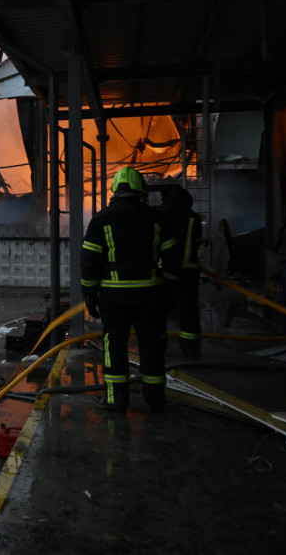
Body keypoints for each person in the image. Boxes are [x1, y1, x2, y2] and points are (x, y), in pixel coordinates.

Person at [80, 167, 181, 412]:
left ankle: (116, 399)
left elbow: (89, 263)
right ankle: (156, 400)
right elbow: (172, 260)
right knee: (152, 346)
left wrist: (89, 295)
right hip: (150, 296)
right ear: (140, 191)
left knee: (114, 346)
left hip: (114, 298)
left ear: (115, 190)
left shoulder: (102, 220)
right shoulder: (157, 219)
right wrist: (168, 289)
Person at [158, 185, 204, 357]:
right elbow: (197, 241)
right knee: (189, 310)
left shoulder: (158, 214)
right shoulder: (193, 217)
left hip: (163, 271)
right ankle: (190, 349)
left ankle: (158, 346)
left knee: (158, 310)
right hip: (188, 272)